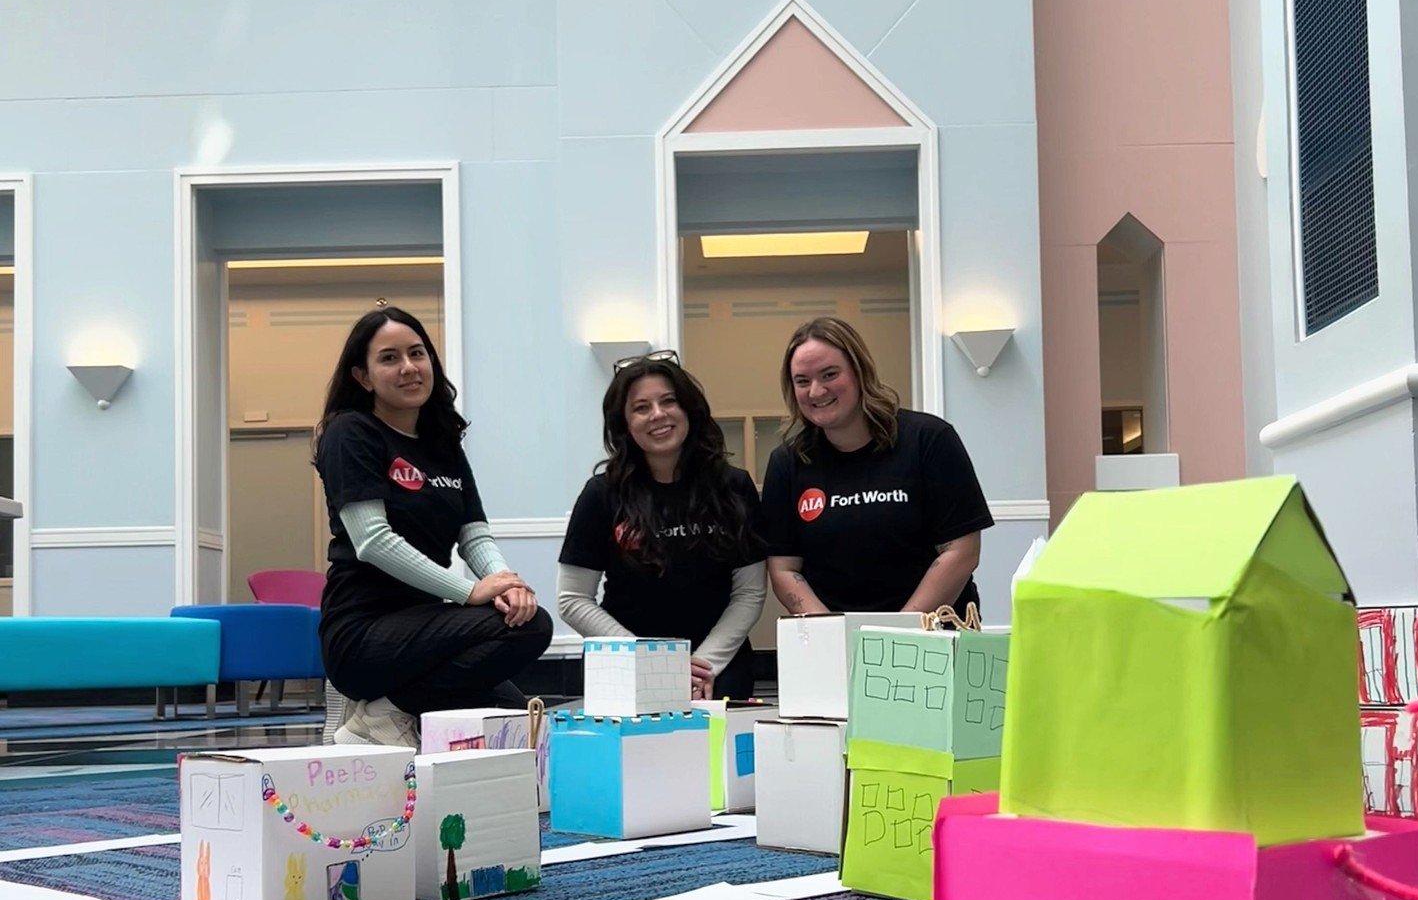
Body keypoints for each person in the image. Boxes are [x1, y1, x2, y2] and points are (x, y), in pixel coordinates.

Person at [313, 305, 553, 747]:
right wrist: (468, 592)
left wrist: (504, 583)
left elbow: (473, 533)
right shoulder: (350, 432)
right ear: (363, 377)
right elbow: (372, 541)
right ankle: (383, 713)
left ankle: (388, 706)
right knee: (535, 626)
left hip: (429, 628)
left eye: (417, 353)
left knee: (512, 718)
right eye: (389, 358)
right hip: (363, 631)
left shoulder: (442, 444)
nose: (408, 367)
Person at [557, 352, 766, 700]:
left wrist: (703, 664)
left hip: (714, 664)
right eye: (641, 407)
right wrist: (650, 662)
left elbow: (750, 592)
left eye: (669, 401)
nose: (658, 414)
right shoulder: (601, 494)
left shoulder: (734, 487)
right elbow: (573, 599)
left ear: (689, 410)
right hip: (624, 663)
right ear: (623, 423)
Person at [761, 316, 993, 617]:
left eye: (829, 375)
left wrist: (898, 633)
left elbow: (961, 552)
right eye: (802, 381)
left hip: (930, 634)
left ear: (860, 372)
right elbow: (783, 568)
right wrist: (829, 631)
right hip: (832, 641)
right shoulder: (787, 463)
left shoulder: (929, 440)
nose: (816, 391)